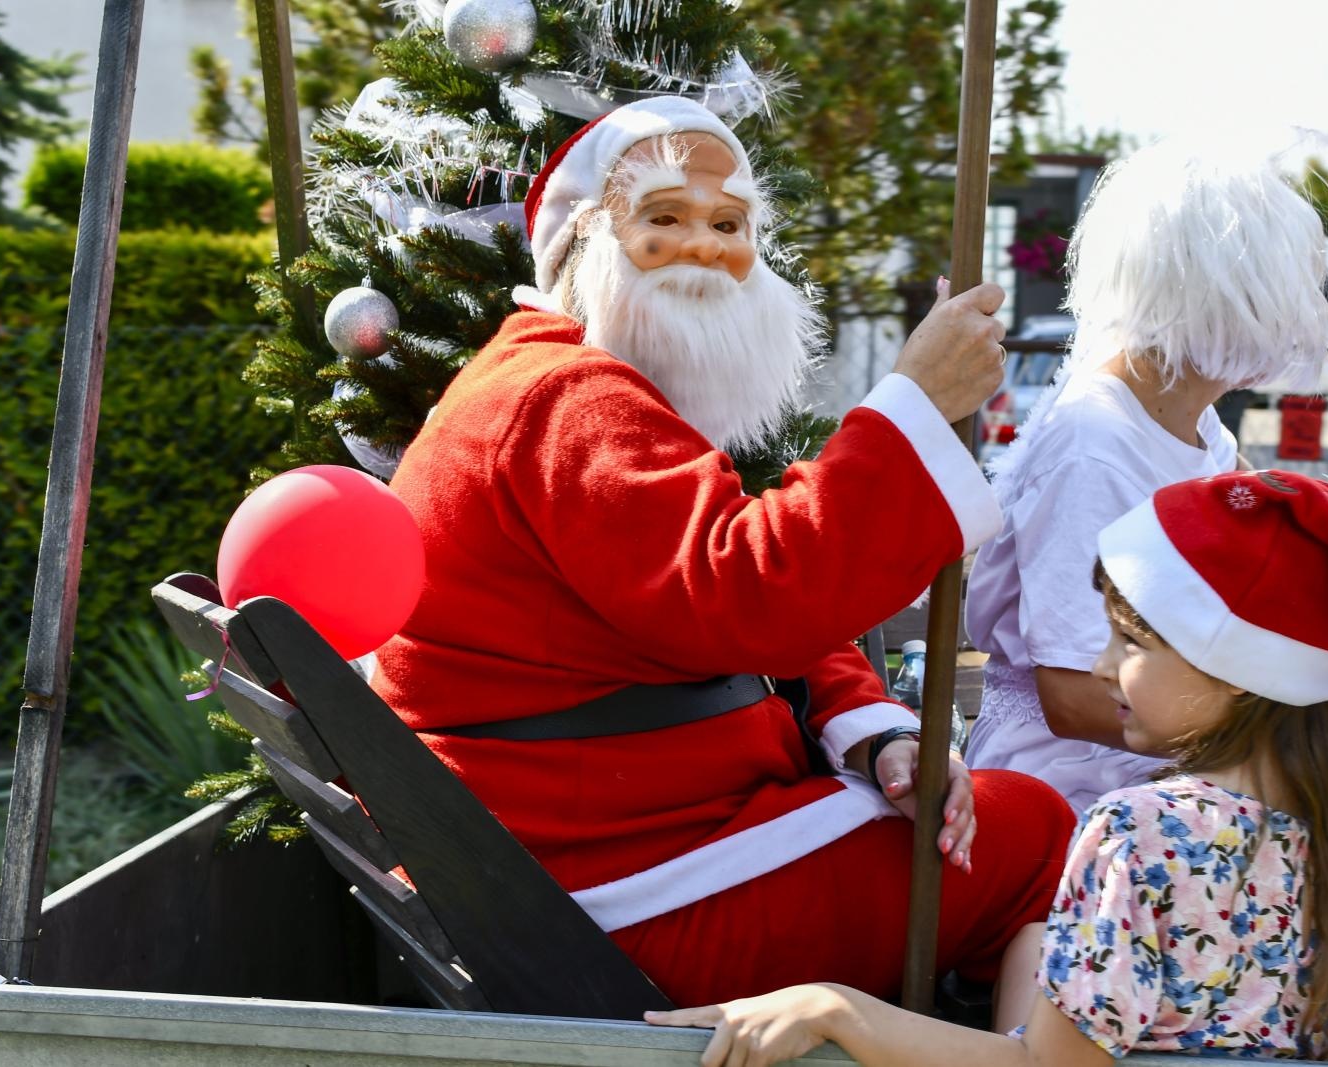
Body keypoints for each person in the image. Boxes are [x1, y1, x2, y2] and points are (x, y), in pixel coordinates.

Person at [370, 95, 1075, 1006]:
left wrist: (875, 730)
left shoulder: (563, 383)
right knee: (1037, 828)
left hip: (609, 853)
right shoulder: (570, 399)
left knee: (986, 823)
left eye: (729, 223)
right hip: (627, 893)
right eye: (663, 218)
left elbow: (728, 597)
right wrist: (910, 405)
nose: (704, 246)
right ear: (584, 243)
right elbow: (754, 592)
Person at [649, 469, 1328, 1064]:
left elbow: (1044, 1065)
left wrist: (834, 1007)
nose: (1103, 665)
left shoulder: (1139, 835)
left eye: (1132, 641)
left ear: (1234, 668)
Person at [964, 136, 1328, 814]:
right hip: (1071, 796)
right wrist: (1267, 743)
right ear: (1228, 295)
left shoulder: (1195, 424)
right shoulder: (1096, 443)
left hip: (1157, 767)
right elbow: (1075, 695)